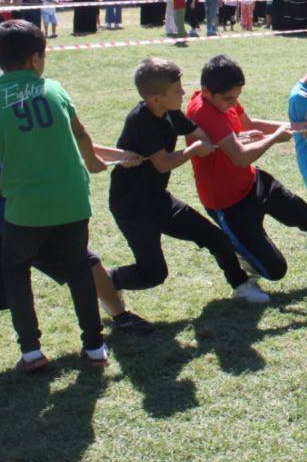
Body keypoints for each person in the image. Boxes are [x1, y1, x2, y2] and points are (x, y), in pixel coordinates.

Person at [0, 20, 133, 372]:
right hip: (73, 203)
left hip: (24, 210)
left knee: (16, 271)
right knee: (78, 269)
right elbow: (81, 132)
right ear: (36, 58)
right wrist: (93, 162)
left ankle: (31, 352)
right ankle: (94, 348)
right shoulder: (55, 89)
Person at [186, 54, 307, 290]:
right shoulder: (203, 112)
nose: (233, 104)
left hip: (254, 183)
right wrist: (275, 138)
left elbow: (249, 125)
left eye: (237, 97)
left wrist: (294, 127)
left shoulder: (223, 97)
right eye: (228, 99)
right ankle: (238, 257)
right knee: (274, 270)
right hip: (227, 202)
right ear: (206, 90)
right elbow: (241, 156)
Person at [107, 58, 264, 302]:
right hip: (133, 208)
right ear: (155, 98)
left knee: (215, 238)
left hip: (158, 200)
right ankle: (107, 279)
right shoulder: (140, 120)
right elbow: (163, 163)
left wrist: (236, 139)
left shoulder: (171, 113)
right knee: (153, 273)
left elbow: (202, 137)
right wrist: (193, 150)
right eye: (177, 90)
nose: (183, 92)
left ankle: (241, 284)